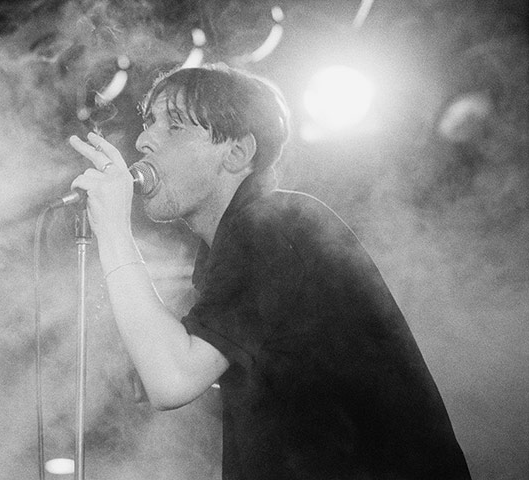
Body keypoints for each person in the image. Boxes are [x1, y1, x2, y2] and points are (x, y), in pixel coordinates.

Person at [68, 63, 471, 480]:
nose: (143, 140)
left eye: (173, 127)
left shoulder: (273, 224)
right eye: (148, 123)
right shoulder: (233, 248)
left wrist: (113, 228)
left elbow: (172, 379)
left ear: (238, 153)